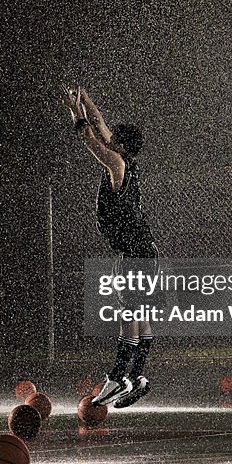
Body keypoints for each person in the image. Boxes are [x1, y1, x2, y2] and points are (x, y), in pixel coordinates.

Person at [63, 85, 158, 408]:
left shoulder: (116, 164)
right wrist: (84, 99)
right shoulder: (128, 161)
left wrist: (76, 113)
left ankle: (118, 377)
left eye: (113, 137)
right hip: (142, 250)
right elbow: (101, 125)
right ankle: (138, 376)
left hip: (134, 254)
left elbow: (90, 139)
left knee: (128, 313)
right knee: (140, 313)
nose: (109, 137)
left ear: (119, 144)